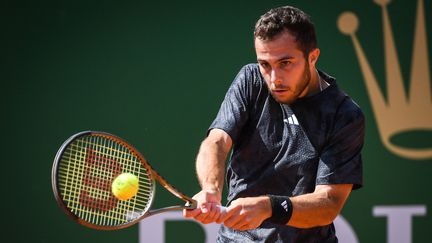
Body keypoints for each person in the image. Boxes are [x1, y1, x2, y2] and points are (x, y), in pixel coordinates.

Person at [184, 5, 364, 242]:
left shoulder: (344, 114)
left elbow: (329, 203)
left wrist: (269, 207)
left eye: (285, 63)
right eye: (265, 64)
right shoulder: (250, 80)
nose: (274, 78)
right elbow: (217, 141)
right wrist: (211, 189)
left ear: (312, 57)